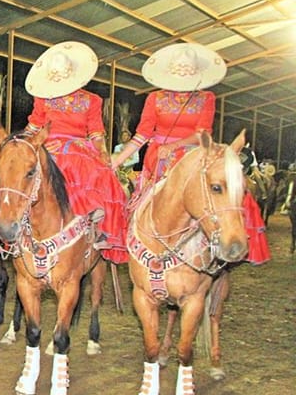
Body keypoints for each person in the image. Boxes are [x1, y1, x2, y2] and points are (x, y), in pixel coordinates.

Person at [111, 42, 269, 264]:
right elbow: (142, 134)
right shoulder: (154, 98)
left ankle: (221, 234)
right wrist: (117, 160)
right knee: (139, 199)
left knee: (221, 188)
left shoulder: (206, 98)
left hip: (193, 153)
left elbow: (202, 133)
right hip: (160, 157)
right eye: (179, 72)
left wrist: (174, 146)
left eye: (188, 72)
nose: (183, 77)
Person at [24, 41, 128, 263]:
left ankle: (96, 223)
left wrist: (101, 151)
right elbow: (33, 126)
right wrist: (23, 145)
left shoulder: (92, 100)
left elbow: (96, 132)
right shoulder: (43, 97)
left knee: (95, 170)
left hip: (79, 146)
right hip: (47, 145)